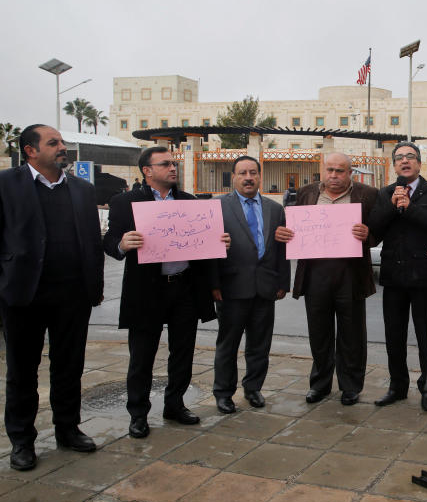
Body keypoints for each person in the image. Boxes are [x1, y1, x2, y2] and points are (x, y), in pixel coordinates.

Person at [103, 146, 229, 439]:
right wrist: (123, 243)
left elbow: (207, 246)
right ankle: (138, 414)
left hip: (184, 287)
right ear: (147, 171)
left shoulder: (190, 202)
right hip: (146, 290)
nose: (173, 168)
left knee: (183, 353)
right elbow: (109, 242)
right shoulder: (125, 202)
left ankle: (175, 404)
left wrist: (219, 241)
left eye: (174, 164)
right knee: (142, 356)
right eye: (166, 164)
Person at [0, 125, 104, 470]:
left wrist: (95, 287)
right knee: (22, 371)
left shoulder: (82, 189)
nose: (63, 147)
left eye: (61, 142)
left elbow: (91, 241)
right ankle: (22, 441)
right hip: (23, 296)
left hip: (72, 295)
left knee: (69, 366)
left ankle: (68, 429)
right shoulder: (6, 184)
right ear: (30, 150)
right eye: (54, 143)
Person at [275, 153, 379, 406]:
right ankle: (319, 385)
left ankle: (351, 387)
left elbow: (378, 232)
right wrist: (284, 233)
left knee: (352, 335)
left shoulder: (367, 194)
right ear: (322, 171)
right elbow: (291, 228)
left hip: (351, 275)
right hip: (315, 275)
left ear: (350, 173)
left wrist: (369, 234)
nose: (334, 176)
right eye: (330, 170)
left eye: (340, 171)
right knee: (319, 333)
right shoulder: (306, 194)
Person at [369, 142, 427, 412]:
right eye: (399, 158)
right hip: (393, 277)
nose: (405, 161)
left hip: (425, 277)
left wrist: (410, 207)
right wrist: (392, 206)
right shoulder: (386, 193)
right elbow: (374, 232)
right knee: (394, 335)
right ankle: (397, 386)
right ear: (394, 165)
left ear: (419, 163)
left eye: (410, 157)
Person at [210, 156, 290, 414]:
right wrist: (213, 283)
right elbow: (209, 250)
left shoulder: (274, 209)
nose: (248, 177)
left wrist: (282, 282)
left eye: (253, 172)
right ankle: (223, 393)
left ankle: (253, 388)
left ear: (259, 176)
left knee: (259, 345)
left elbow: (281, 249)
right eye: (243, 173)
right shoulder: (218, 207)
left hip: (265, 288)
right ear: (233, 177)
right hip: (231, 288)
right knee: (228, 344)